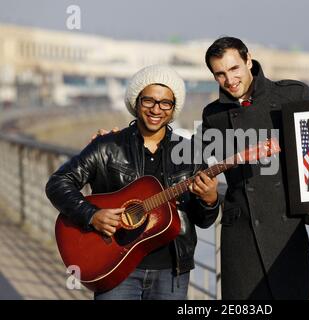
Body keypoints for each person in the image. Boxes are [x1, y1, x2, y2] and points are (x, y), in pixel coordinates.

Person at [201, 36, 309, 299]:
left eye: (234, 69)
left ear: (248, 60)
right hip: (240, 239)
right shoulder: (214, 115)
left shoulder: (292, 94)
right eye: (220, 74)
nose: (229, 80)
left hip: (285, 232)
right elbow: (199, 169)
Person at [45, 65, 220, 300]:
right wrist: (91, 215)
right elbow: (58, 183)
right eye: (149, 101)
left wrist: (210, 200)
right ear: (136, 102)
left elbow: (202, 220)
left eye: (165, 103)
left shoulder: (189, 153)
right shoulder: (107, 146)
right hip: (114, 266)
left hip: (172, 272)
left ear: (173, 108)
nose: (156, 109)